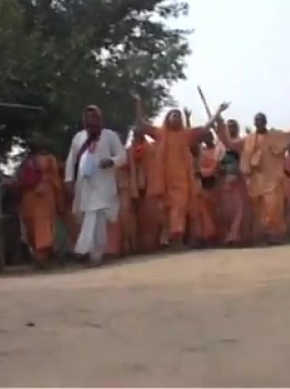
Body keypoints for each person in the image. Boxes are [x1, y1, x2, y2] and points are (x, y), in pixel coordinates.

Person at [131, 91, 228, 248]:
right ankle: (170, 238)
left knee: (179, 207)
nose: (176, 118)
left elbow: (205, 128)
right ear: (168, 118)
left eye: (179, 116)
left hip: (182, 181)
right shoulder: (160, 133)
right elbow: (142, 124)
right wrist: (138, 103)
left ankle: (177, 239)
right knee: (166, 211)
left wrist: (217, 112)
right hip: (163, 182)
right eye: (173, 115)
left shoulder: (186, 135)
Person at [217, 103, 290, 245]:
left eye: (261, 120)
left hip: (273, 179)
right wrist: (220, 122)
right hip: (256, 181)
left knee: (273, 207)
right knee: (259, 211)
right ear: (254, 123)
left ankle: (275, 235)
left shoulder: (275, 136)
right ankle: (263, 236)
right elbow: (230, 144)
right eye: (257, 121)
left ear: (265, 122)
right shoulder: (249, 139)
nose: (259, 123)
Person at [64, 105, 127, 266]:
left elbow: (122, 156)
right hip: (84, 185)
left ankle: (82, 250)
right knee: (96, 219)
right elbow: (71, 160)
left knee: (93, 215)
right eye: (87, 117)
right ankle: (96, 255)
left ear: (100, 119)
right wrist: (68, 179)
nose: (90, 120)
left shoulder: (110, 136)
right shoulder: (79, 137)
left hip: (104, 184)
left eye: (94, 117)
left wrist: (111, 161)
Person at [18, 139, 63, 268]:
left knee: (39, 229)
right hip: (37, 199)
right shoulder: (44, 160)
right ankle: (41, 258)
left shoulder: (29, 162)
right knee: (38, 229)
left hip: (36, 199)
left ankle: (41, 258)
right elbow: (55, 180)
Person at [214, 118, 252, 246]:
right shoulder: (219, 146)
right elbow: (217, 163)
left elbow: (246, 160)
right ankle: (228, 236)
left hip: (239, 181)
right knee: (226, 211)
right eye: (229, 126)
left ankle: (236, 236)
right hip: (224, 182)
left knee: (240, 210)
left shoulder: (241, 143)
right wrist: (222, 169)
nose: (231, 129)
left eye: (234, 126)